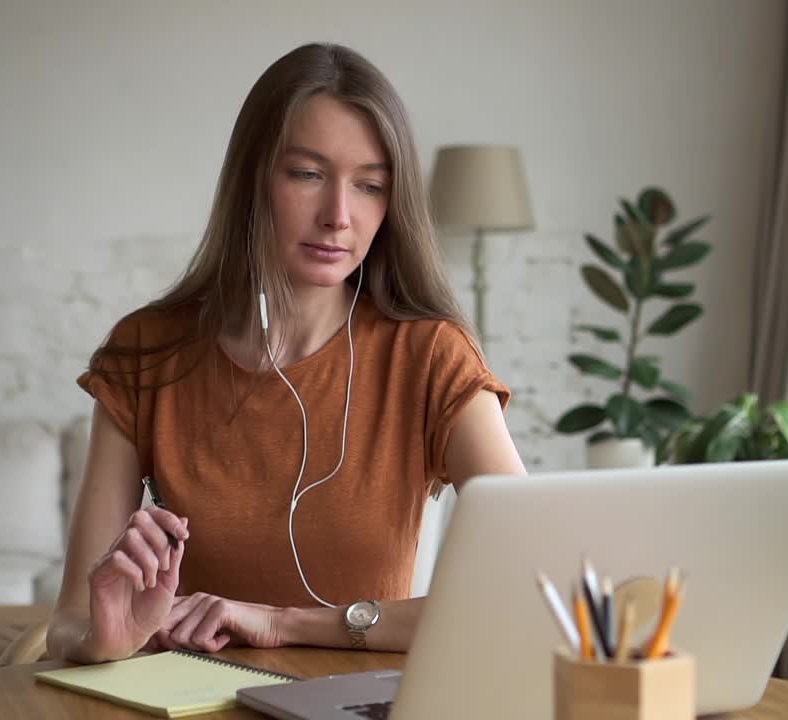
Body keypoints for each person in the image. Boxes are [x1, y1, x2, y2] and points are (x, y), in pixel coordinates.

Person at [46, 43, 526, 664]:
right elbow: (66, 626)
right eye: (306, 174)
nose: (338, 216)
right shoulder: (147, 353)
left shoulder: (431, 357)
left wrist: (284, 624)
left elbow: (526, 589)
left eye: (371, 186)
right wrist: (103, 640)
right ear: (252, 177)